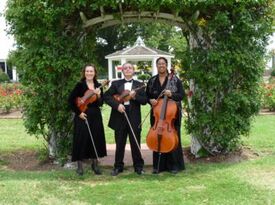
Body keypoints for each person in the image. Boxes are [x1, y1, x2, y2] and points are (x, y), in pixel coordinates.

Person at [104, 63, 147, 176]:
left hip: (134, 116)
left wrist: (134, 96)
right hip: (119, 115)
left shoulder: (140, 85)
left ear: (133, 71)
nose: (128, 69)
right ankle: (118, 166)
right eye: (125, 68)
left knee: (135, 142)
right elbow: (106, 97)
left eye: (130, 68)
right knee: (120, 143)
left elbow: (144, 100)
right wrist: (117, 106)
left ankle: (138, 166)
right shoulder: (115, 83)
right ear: (122, 71)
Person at [146, 57, 185, 174]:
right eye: (159, 64)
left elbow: (181, 95)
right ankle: (158, 166)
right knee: (157, 138)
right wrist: (150, 101)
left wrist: (171, 94)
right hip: (157, 115)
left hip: (171, 116)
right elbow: (147, 96)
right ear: (156, 66)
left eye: (163, 63)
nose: (161, 65)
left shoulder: (174, 80)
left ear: (166, 65)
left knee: (172, 139)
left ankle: (173, 165)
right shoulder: (152, 80)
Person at [68, 64, 107, 176]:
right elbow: (71, 100)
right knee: (81, 139)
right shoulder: (79, 85)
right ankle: (79, 167)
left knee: (95, 138)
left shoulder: (98, 85)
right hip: (82, 115)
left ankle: (95, 165)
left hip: (95, 115)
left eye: (91, 71)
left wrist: (99, 96)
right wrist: (79, 113)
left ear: (95, 73)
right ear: (84, 73)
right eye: (87, 71)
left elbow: (100, 103)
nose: (89, 73)